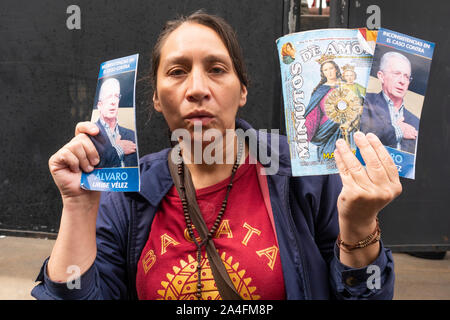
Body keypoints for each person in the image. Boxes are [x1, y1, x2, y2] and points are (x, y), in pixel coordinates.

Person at [32, 11, 400, 300]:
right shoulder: (128, 192)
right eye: (177, 72)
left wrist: (360, 227)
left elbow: (362, 295)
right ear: (157, 99)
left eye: (217, 69)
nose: (197, 89)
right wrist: (78, 207)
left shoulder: (305, 174)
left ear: (242, 90)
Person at [360, 51, 419, 154]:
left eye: (406, 77)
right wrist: (397, 130)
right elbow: (358, 133)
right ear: (381, 76)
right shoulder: (365, 101)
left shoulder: (416, 122)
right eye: (396, 74)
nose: (402, 81)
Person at [304, 56, 356, 159]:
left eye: (331, 68)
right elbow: (314, 114)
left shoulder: (348, 85)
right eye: (325, 70)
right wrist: (304, 133)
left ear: (336, 69)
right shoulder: (320, 90)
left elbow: (358, 103)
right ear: (323, 73)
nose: (329, 72)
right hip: (328, 131)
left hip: (349, 127)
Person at [92, 77, 138, 168]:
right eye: (109, 97)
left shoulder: (132, 135)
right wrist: (118, 149)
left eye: (116, 96)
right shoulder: (90, 135)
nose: (113, 102)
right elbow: (91, 165)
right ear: (99, 106)